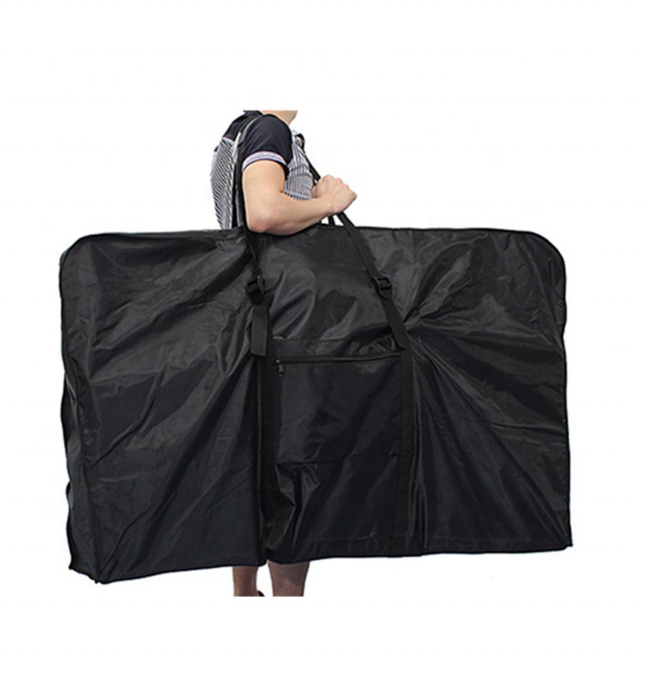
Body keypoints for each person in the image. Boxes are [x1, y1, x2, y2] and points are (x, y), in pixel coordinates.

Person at [210, 109, 357, 596]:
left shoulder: (235, 136)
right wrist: (328, 201)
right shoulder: (270, 130)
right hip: (287, 327)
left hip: (251, 317)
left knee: (252, 465)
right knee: (293, 468)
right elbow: (264, 214)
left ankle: (245, 594)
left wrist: (309, 199)